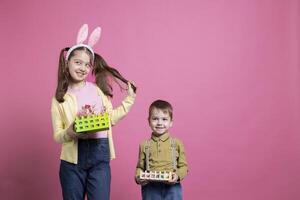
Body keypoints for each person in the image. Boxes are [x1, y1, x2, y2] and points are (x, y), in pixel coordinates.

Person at [51, 24, 136, 200]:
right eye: (78, 62)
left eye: (87, 65)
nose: (83, 68)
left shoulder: (98, 90)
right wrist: (70, 132)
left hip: (100, 156)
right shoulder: (60, 98)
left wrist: (129, 100)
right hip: (72, 161)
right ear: (67, 63)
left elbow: (110, 118)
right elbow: (58, 135)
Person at [135, 100, 188, 200]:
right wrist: (139, 178)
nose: (160, 123)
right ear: (149, 121)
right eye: (155, 119)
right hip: (150, 188)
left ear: (171, 122)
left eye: (164, 119)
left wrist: (177, 176)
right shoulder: (144, 145)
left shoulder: (177, 143)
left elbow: (184, 167)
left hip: (172, 188)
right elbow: (140, 167)